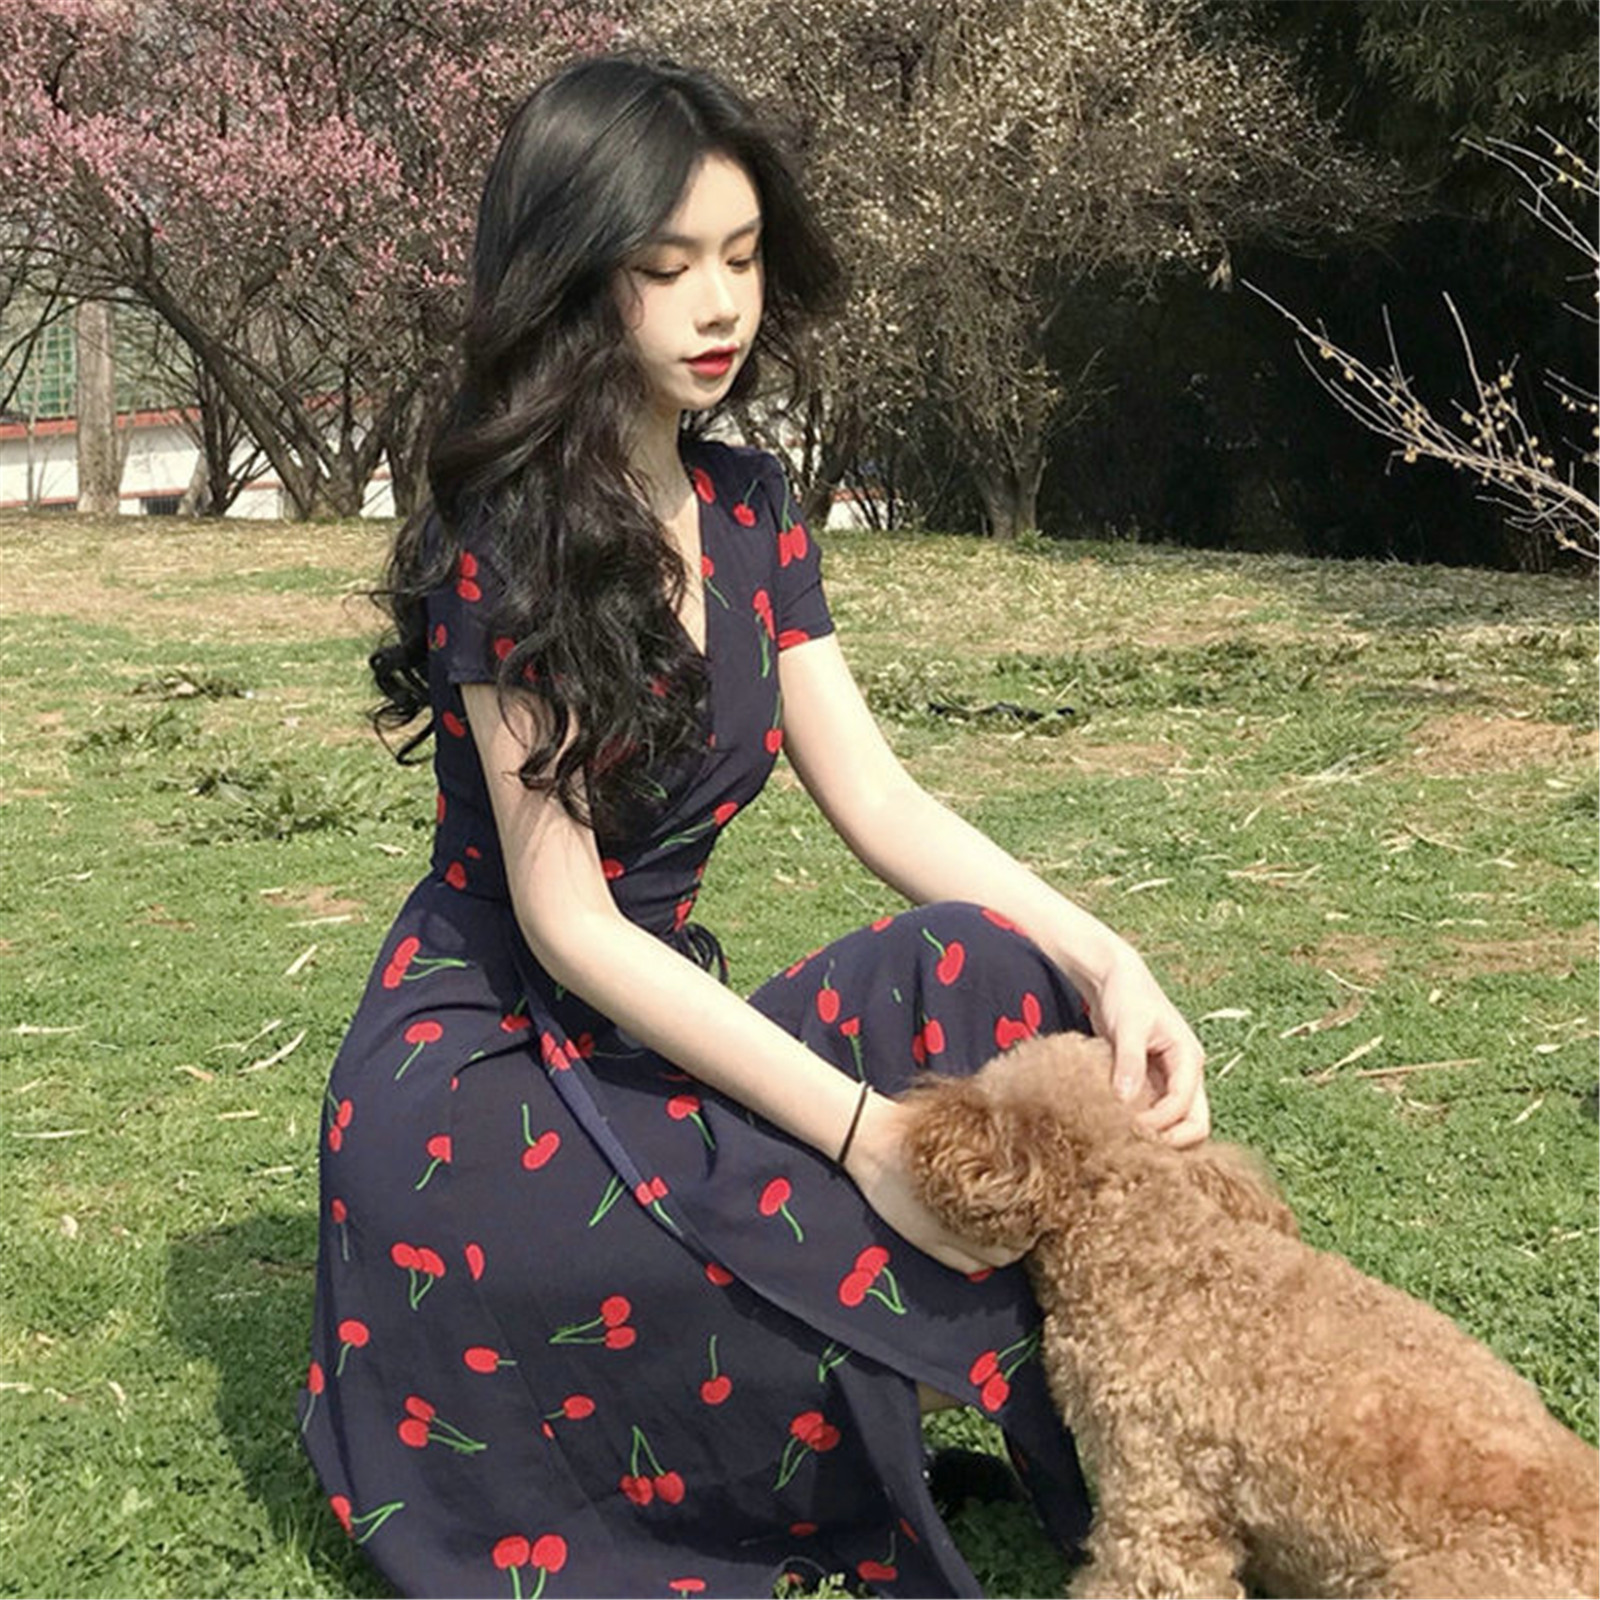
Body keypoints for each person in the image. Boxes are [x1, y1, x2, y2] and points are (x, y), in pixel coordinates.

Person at [300, 51, 1209, 1600]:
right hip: (481, 1081)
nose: (718, 305)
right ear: (572, 283)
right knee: (773, 1235)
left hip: (660, 1017)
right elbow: (568, 924)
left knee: (1004, 973)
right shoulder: (510, 531)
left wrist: (1115, 964)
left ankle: (1161, 1446)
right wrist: (868, 1135)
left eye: (740, 256)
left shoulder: (749, 503)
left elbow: (880, 797)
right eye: (666, 270)